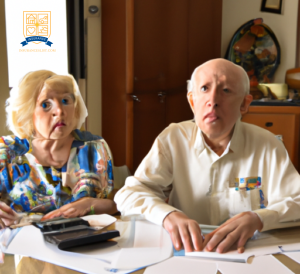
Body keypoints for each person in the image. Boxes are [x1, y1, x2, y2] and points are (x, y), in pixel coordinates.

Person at [114, 58, 300, 254]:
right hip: (189, 253)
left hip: (249, 254)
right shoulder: (173, 139)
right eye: (204, 89)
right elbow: (129, 194)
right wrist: (167, 215)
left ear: (244, 104)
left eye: (226, 90)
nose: (213, 100)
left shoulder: (268, 144)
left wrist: (259, 219)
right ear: (192, 101)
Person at [0, 70, 117, 227]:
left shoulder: (93, 148)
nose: (60, 111)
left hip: (83, 243)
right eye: (46, 104)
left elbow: (114, 205)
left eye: (65, 100)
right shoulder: (8, 151)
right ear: (28, 112)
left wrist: (88, 204)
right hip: (25, 246)